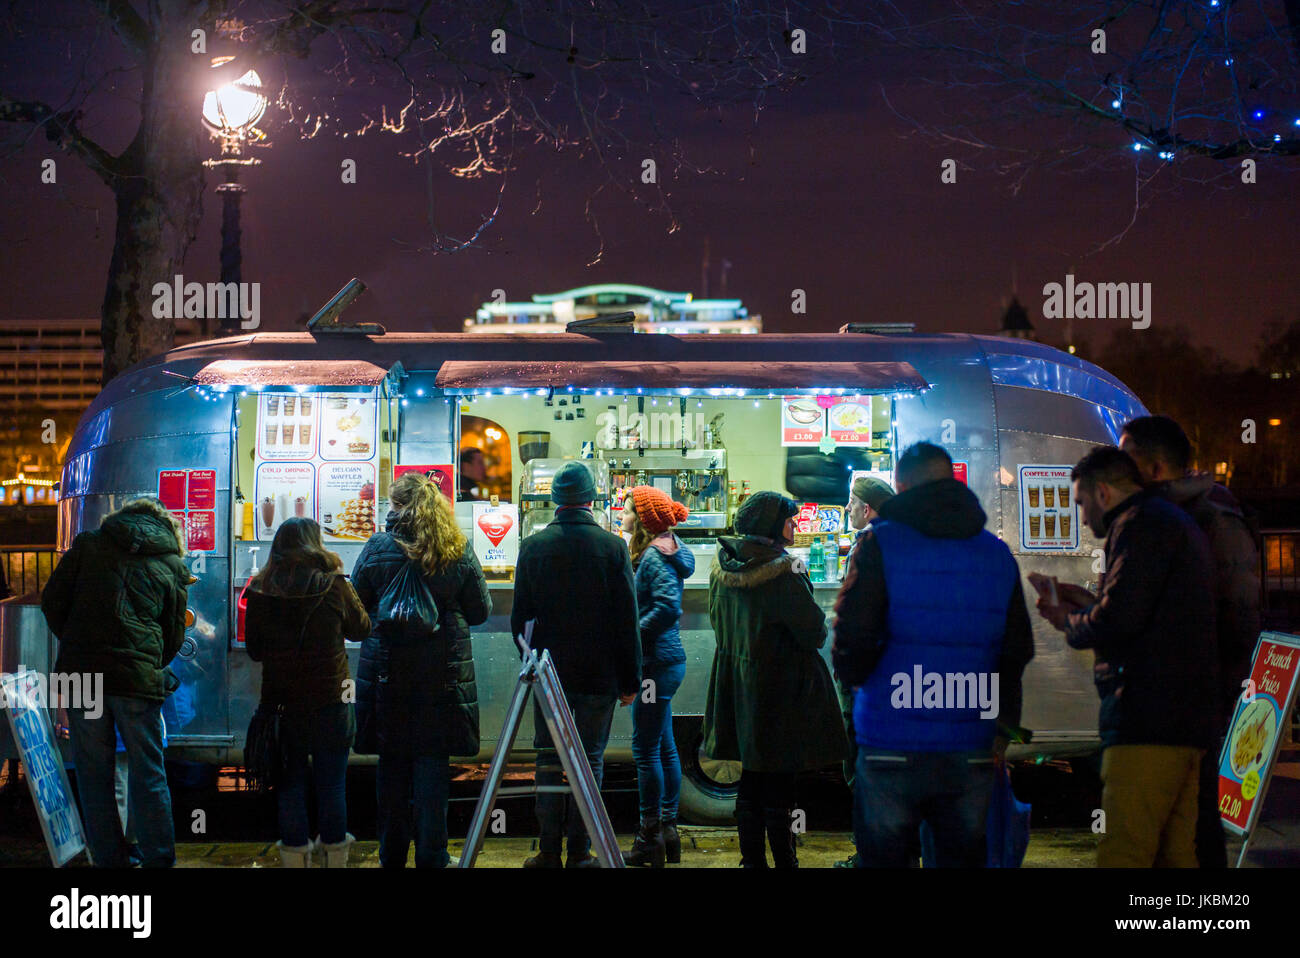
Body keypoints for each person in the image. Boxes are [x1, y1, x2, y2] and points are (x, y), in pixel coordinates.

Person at [832, 443, 1033, 868]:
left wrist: (860, 690)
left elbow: (852, 637)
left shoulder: (879, 545)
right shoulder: (996, 554)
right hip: (969, 744)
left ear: (901, 487)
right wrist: (1003, 728)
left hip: (889, 739)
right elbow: (1015, 652)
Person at [1036, 446, 1218, 867]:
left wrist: (1070, 620)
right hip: (1185, 723)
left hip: (1146, 721)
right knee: (1176, 854)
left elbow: (1119, 621)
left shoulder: (1139, 526)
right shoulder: (1171, 521)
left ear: (1102, 493)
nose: (1081, 518)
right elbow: (1142, 608)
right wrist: (1088, 603)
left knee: (1124, 850)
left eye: (1080, 503)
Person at [1119, 415, 1260, 869]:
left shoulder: (1202, 519)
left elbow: (1238, 614)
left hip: (1187, 694)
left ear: (1155, 467)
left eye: (1127, 458)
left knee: (1192, 817)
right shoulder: (1185, 515)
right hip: (1178, 692)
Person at [40, 497, 190, 868]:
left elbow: (52, 602)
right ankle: (159, 859)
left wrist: (77, 641)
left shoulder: (88, 544)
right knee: (149, 772)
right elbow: (173, 634)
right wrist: (145, 658)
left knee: (93, 775)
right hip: (136, 680)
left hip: (81, 675)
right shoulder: (171, 562)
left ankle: (110, 860)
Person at [351, 473, 491, 868]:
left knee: (392, 768)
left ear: (396, 506)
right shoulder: (455, 547)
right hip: (441, 677)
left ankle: (390, 855)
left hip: (387, 674)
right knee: (432, 767)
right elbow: (480, 612)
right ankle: (432, 854)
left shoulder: (377, 547)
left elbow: (357, 608)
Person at [703, 491, 846, 868]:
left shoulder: (723, 566)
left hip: (738, 683)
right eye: (789, 520)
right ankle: (785, 860)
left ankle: (751, 861)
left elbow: (719, 623)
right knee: (780, 781)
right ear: (771, 525)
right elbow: (813, 632)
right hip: (779, 688)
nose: (795, 526)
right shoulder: (784, 572)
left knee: (750, 777)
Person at [512, 461, 640, 868]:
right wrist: (630, 679)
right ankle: (581, 852)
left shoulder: (532, 547)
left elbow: (520, 621)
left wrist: (532, 665)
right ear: (590, 499)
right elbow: (626, 621)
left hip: (550, 676)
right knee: (590, 760)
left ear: (554, 500)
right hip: (599, 676)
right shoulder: (612, 547)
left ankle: (548, 851)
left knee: (549, 760)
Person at [244, 517, 370, 868]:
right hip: (332, 699)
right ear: (316, 543)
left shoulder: (260, 588)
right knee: (332, 785)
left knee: (290, 785)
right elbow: (362, 629)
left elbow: (254, 650)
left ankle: (295, 860)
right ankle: (335, 858)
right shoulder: (333, 585)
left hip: (281, 704)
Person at [619, 486, 695, 867]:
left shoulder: (654, 555)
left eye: (628, 510)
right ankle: (668, 831)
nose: (622, 515)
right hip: (664, 663)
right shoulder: (665, 548)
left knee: (645, 749)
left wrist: (632, 633)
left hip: (655, 665)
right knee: (663, 746)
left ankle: (649, 836)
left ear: (645, 520)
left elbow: (666, 607)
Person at [834, 474, 896, 868]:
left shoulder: (871, 543)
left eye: (851, 503)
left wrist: (847, 671)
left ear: (867, 508)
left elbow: (856, 614)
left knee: (860, 759)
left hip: (867, 677)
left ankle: (870, 855)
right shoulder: (904, 538)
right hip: (894, 673)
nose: (846, 510)